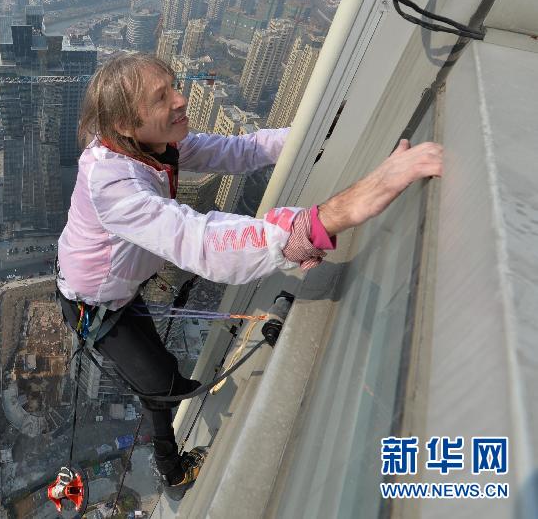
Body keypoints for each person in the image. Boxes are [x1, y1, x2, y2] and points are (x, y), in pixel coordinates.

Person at [56, 52, 443, 500]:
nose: (181, 100)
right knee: (162, 386)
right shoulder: (112, 183)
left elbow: (237, 151)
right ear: (125, 123)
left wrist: (315, 136)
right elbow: (198, 241)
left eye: (175, 85)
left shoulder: (151, 145)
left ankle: (170, 409)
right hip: (96, 305)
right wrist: (324, 220)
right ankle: (171, 468)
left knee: (164, 374)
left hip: (120, 288)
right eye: (162, 97)